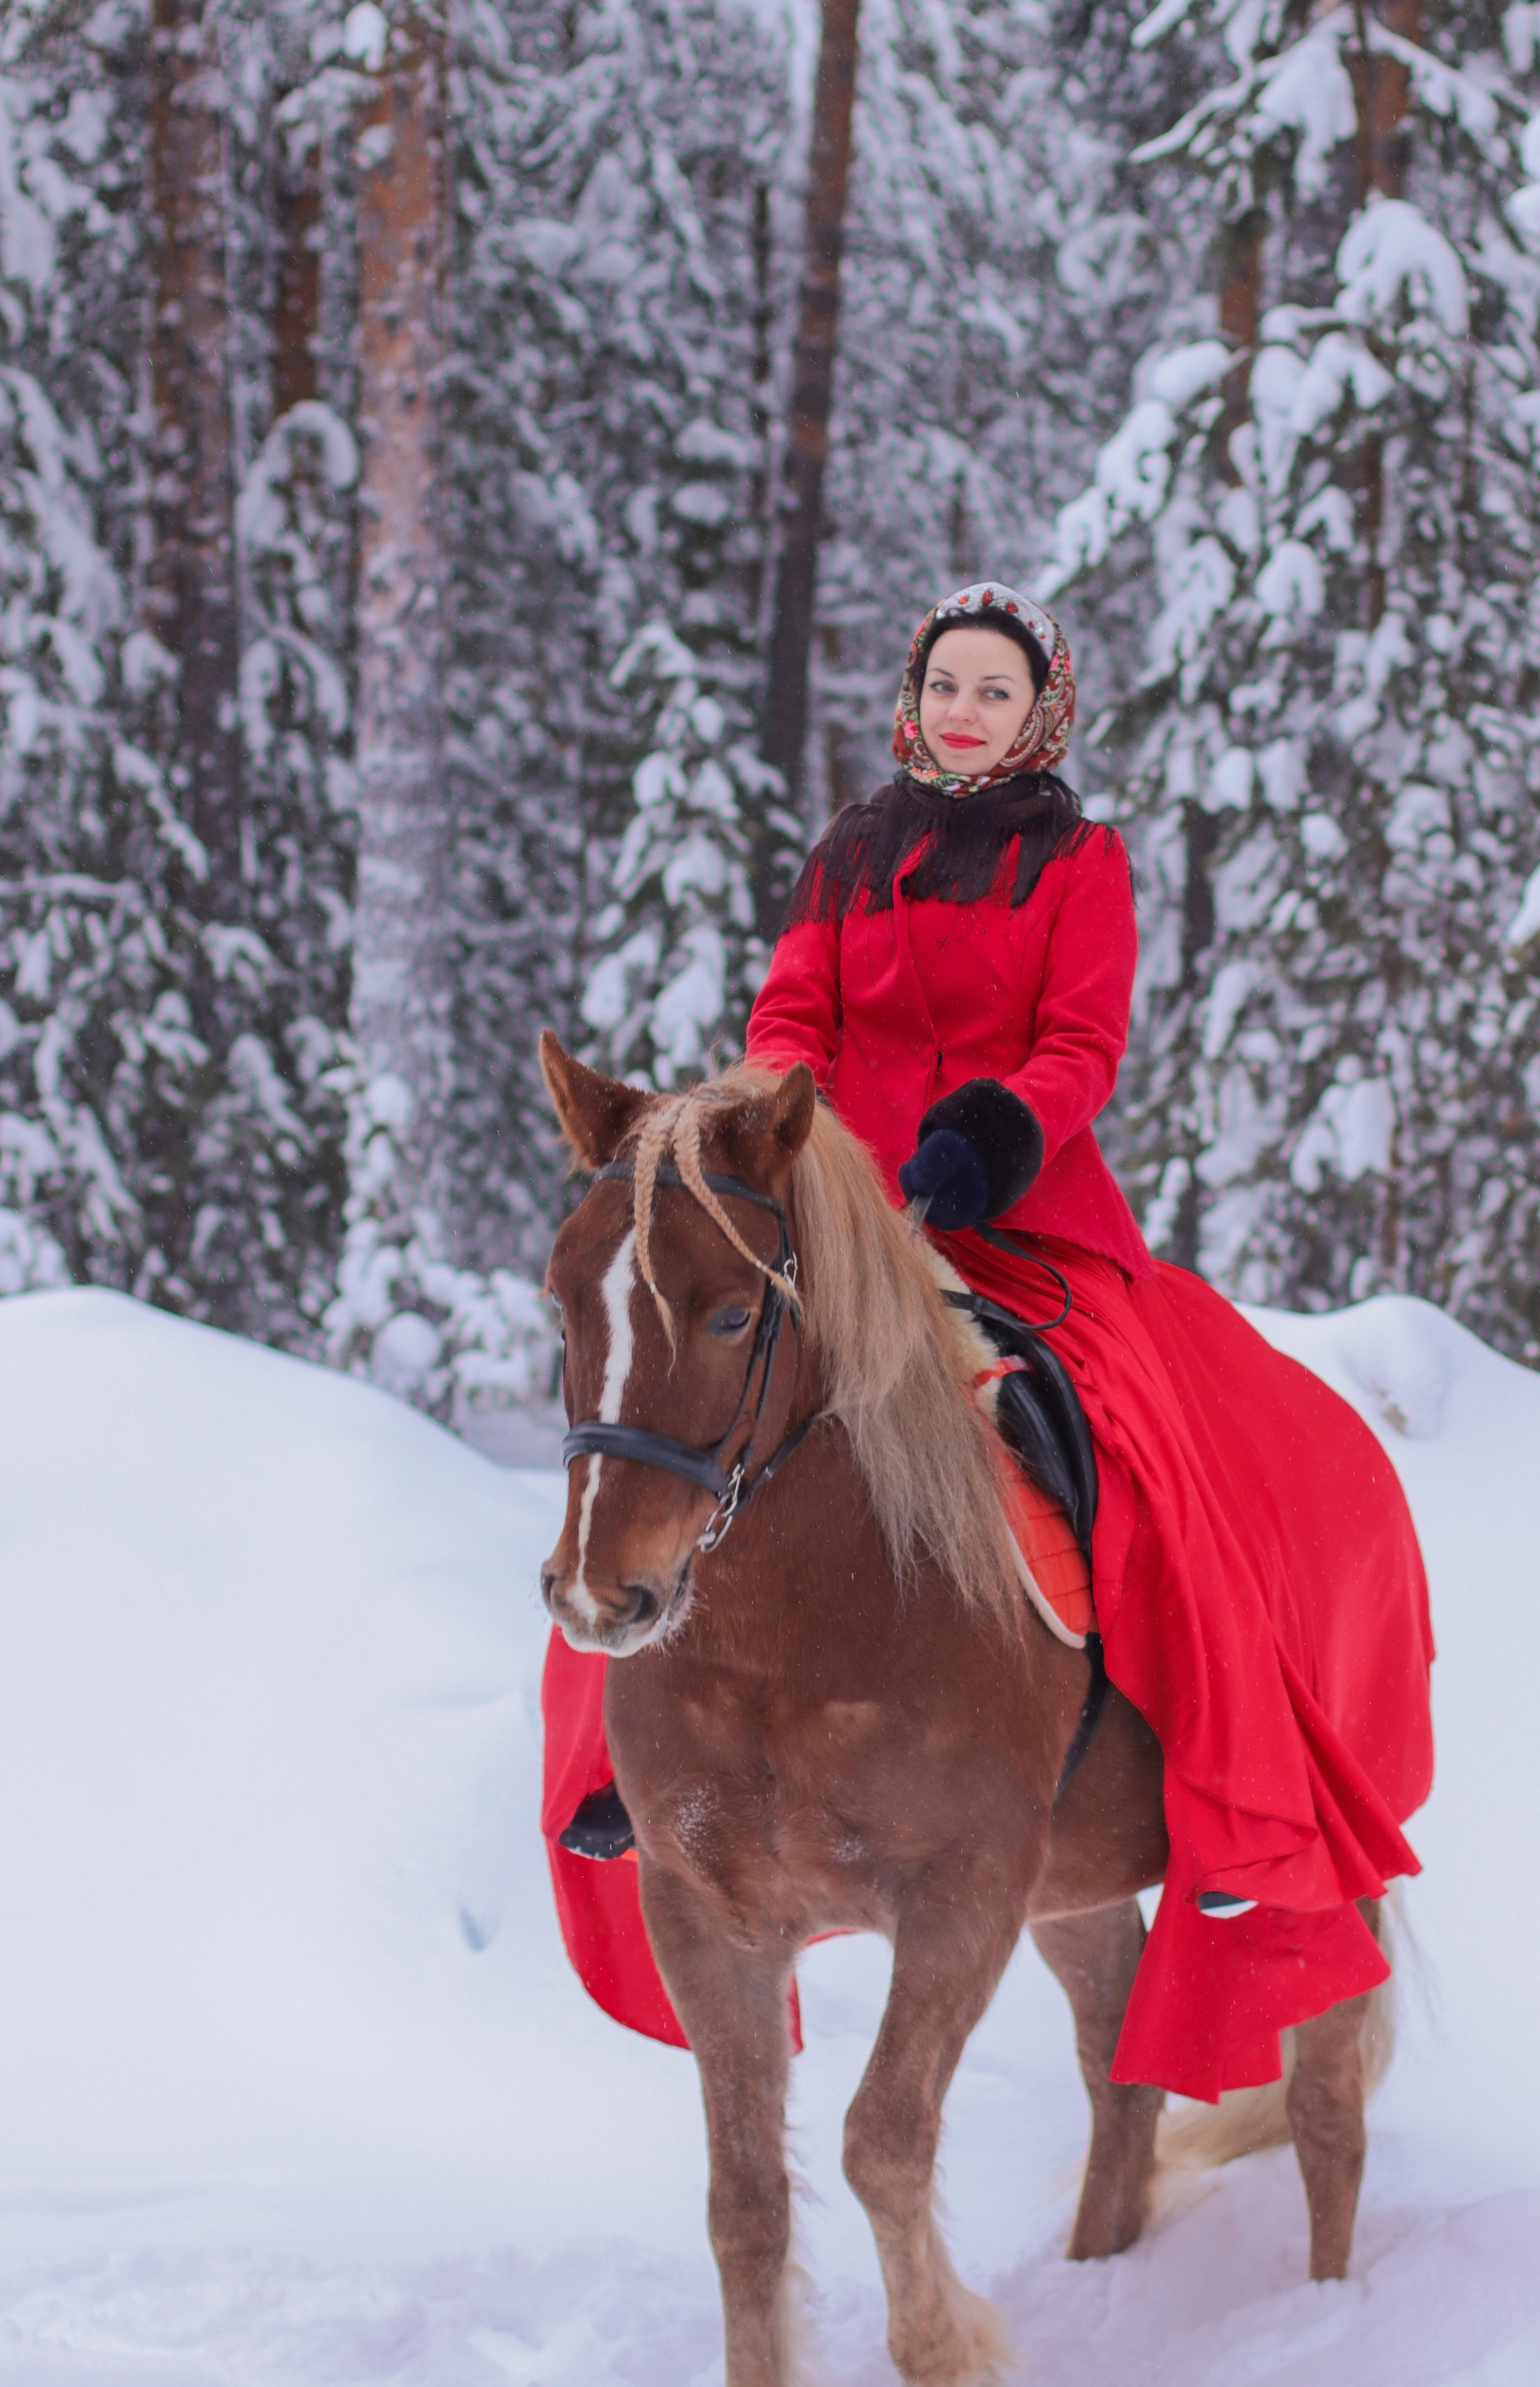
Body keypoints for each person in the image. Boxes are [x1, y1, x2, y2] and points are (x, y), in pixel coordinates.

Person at [544, 582, 1434, 2102]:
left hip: (1018, 1217)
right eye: (945, 686)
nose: (965, 711)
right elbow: (793, 1019)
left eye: (995, 692)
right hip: (840, 1218)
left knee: (1149, 1459)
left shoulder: (1082, 864)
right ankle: (613, 1761)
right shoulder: (852, 854)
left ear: (1041, 714)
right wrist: (783, 1139)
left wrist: (999, 1131)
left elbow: (1083, 1040)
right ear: (913, 701)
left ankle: (1231, 1801)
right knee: (669, 1414)